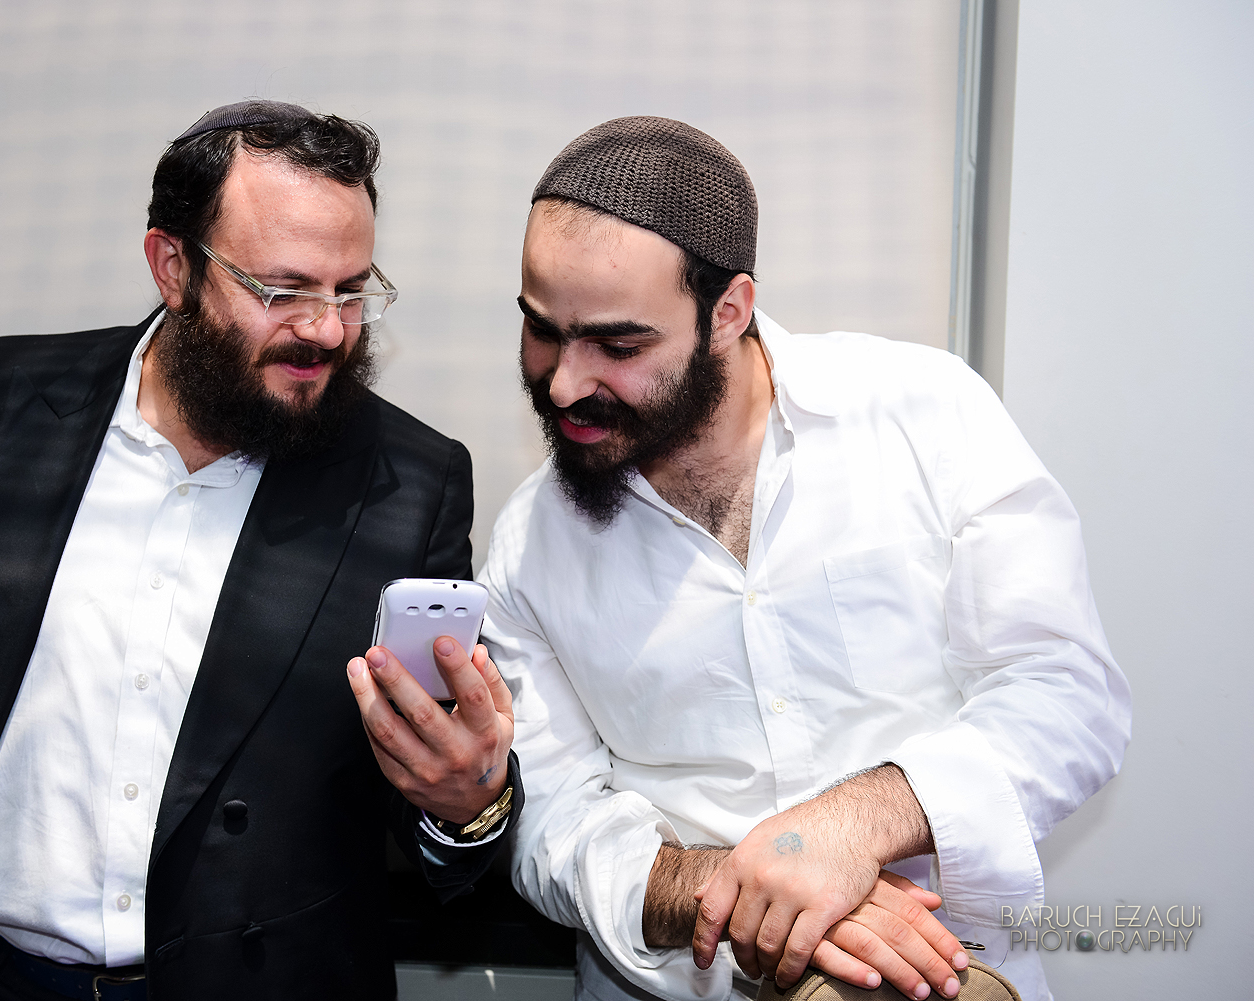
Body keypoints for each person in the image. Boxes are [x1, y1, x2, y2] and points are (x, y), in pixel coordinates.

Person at [0, 99, 518, 1001]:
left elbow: (434, 802)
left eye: (351, 290)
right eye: (283, 290)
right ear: (173, 266)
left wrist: (468, 801)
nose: (326, 329)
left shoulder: (407, 482)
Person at [480, 116, 1130, 1001]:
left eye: (618, 346)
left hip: (949, 979)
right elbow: (551, 822)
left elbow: (1068, 693)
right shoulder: (529, 544)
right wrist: (743, 888)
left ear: (729, 311)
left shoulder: (927, 414)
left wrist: (849, 826)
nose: (562, 382)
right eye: (541, 329)